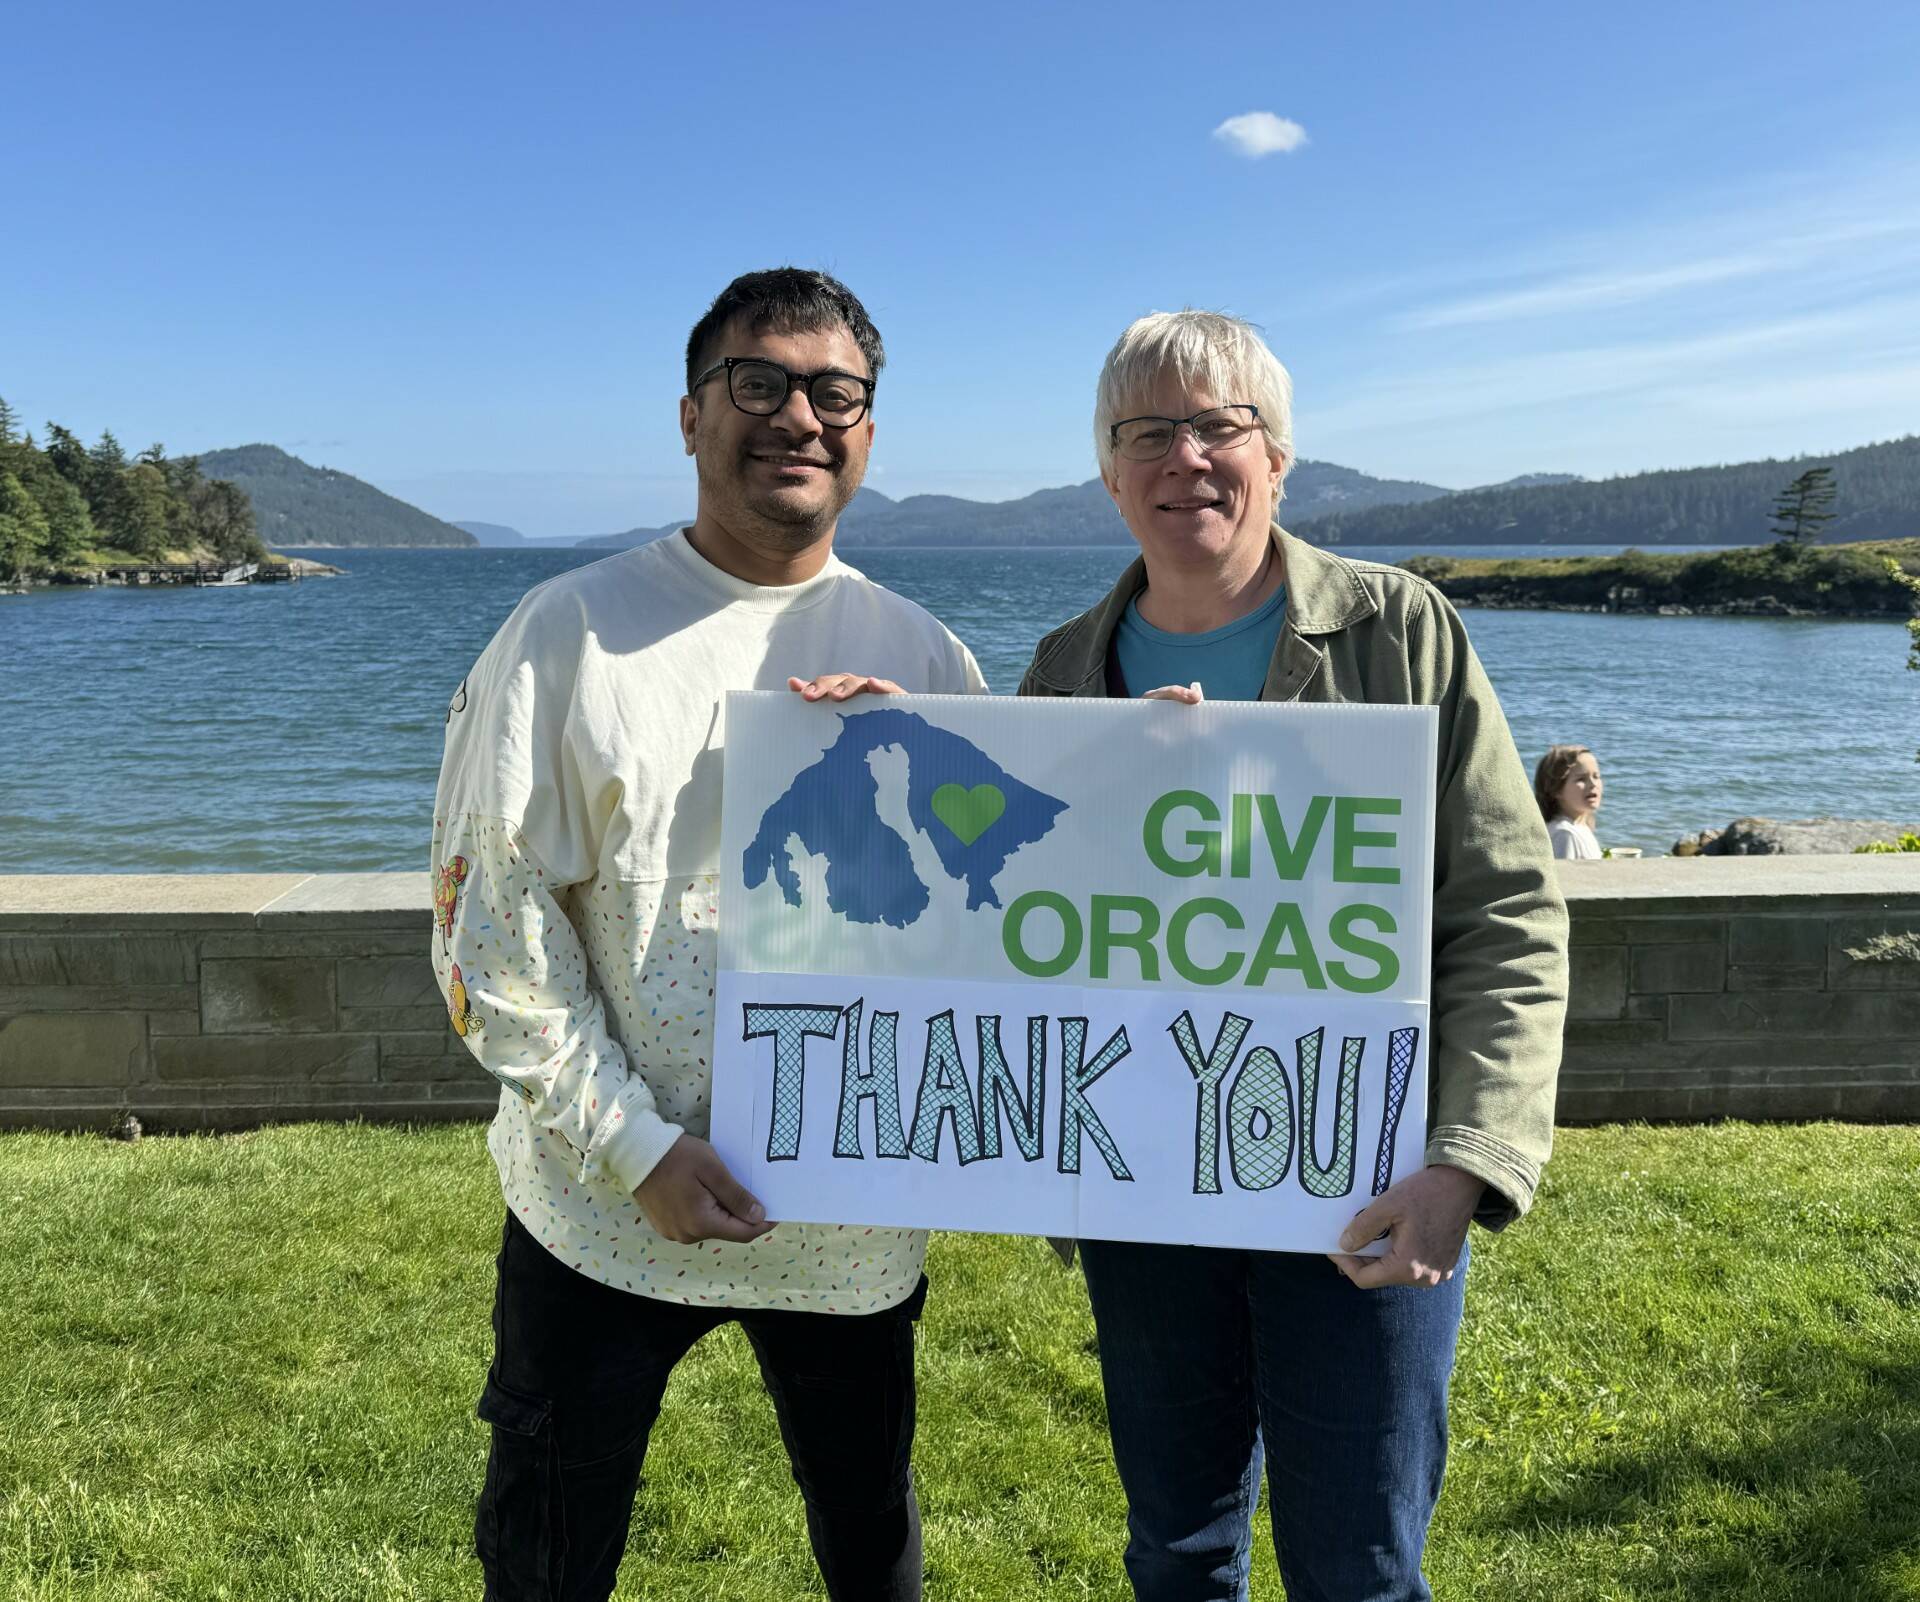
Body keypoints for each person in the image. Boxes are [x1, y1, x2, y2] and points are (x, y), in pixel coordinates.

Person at [431, 268, 985, 1602]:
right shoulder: (568, 631)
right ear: (690, 415)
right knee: (547, 1558)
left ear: (869, 431)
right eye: (760, 382)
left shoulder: (929, 658)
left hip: (848, 1219)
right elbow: (487, 932)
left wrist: (1161, 770)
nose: (799, 413)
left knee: (875, 1554)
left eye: (834, 390)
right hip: (606, 1210)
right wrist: (635, 1145)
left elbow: (1008, 927)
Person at [1016, 310, 1569, 1601]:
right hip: (1145, 1189)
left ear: (1280, 457)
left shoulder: (1399, 631)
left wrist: (1468, 1160)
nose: (1185, 457)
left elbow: (1505, 908)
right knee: (1181, 1548)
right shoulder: (1058, 677)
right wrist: (875, 747)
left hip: (1363, 1181)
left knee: (1360, 1564)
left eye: (1221, 424)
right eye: (1148, 432)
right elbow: (1005, 928)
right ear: (1109, 472)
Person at [1535, 743, 1604, 860]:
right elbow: (1563, 877)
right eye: (1581, 779)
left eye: (1596, 776)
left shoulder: (1579, 827)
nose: (1593, 784)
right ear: (1556, 789)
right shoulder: (1564, 834)